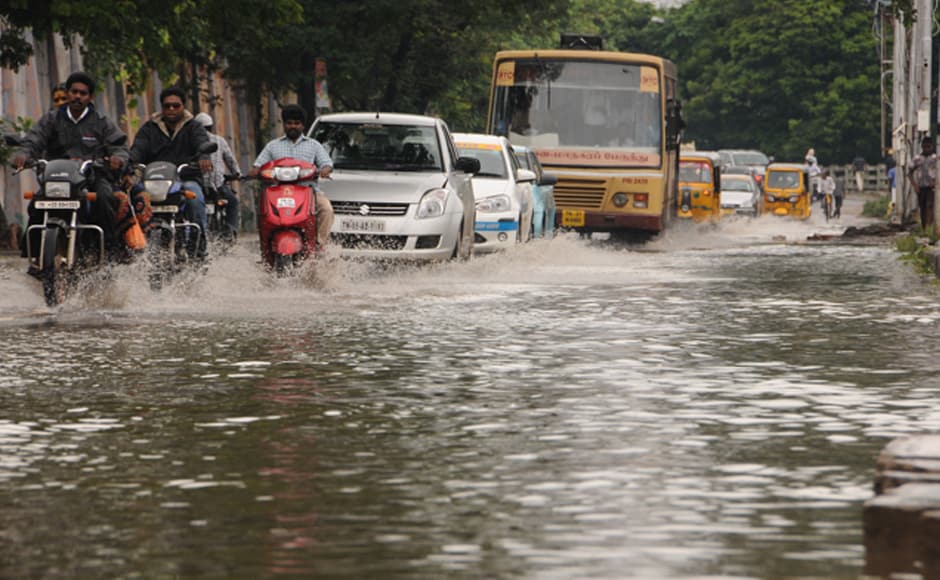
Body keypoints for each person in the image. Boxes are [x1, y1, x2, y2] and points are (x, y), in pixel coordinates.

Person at [13, 71, 129, 260]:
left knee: (105, 198)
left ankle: (108, 252)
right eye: (74, 92)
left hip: (92, 176)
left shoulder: (101, 122)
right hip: (58, 176)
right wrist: (24, 154)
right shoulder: (51, 119)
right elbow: (34, 140)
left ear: (90, 97)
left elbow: (119, 145)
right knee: (36, 205)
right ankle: (33, 257)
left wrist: (118, 158)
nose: (77, 96)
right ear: (68, 93)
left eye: (83, 93)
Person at [130, 86, 213, 256]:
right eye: (167, 106)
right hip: (154, 182)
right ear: (162, 107)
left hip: (185, 179)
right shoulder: (149, 128)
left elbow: (201, 142)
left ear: (183, 106)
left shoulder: (193, 127)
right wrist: (130, 161)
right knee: (132, 200)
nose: (172, 109)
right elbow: (138, 148)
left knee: (195, 200)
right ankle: (134, 250)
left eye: (176, 105)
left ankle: (198, 248)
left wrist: (204, 155)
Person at [249, 104, 334, 250]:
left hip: (308, 191)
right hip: (277, 192)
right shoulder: (272, 146)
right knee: (264, 212)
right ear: (284, 124)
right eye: (289, 123)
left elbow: (326, 163)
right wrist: (255, 171)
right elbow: (258, 165)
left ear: (303, 125)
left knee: (326, 209)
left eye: (297, 123)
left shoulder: (314, 145)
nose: (293, 126)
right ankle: (266, 246)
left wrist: (325, 170)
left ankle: (320, 246)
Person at [194, 112, 241, 236]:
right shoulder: (219, 140)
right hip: (218, 185)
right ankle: (231, 231)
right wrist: (237, 173)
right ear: (211, 127)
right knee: (233, 202)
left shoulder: (191, 141)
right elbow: (230, 159)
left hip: (198, 185)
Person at [908, 137, 937, 230]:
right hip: (921, 187)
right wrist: (915, 185)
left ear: (932, 146)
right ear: (922, 147)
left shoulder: (935, 158)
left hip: (932, 187)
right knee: (923, 207)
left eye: (928, 147)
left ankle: (929, 226)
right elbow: (909, 173)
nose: (927, 149)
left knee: (930, 205)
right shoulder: (918, 159)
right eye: (925, 147)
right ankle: (925, 226)